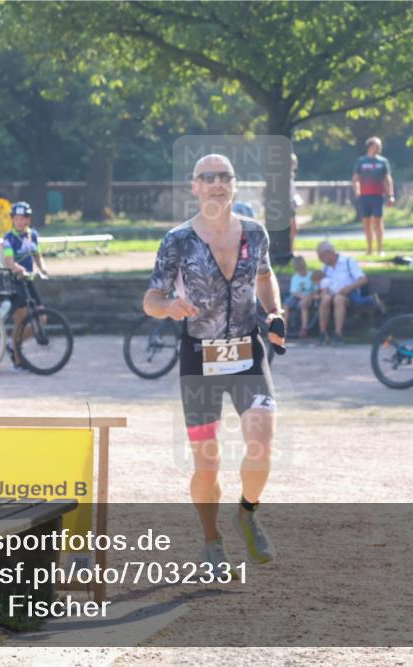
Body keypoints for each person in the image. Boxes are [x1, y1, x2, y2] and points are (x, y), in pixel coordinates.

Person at [143, 153, 285, 571]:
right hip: (198, 359)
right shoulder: (178, 241)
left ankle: (247, 513)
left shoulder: (255, 234)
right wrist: (168, 308)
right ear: (195, 187)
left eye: (224, 177)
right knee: (208, 465)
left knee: (262, 443)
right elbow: (150, 299)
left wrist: (274, 312)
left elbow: (264, 275)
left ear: (234, 185)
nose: (217, 184)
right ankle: (211, 539)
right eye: (208, 178)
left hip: (246, 352)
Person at [2, 201, 49, 370]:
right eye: (17, 218)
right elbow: (8, 260)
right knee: (20, 320)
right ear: (13, 220)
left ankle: (14, 344)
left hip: (28, 281)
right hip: (15, 282)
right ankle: (17, 357)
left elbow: (38, 255)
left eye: (23, 218)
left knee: (42, 317)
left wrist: (42, 268)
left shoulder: (33, 235)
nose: (20, 222)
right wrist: (17, 267)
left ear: (28, 220)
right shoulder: (9, 238)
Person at [316, 240, 378, 346]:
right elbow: (322, 283)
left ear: (329, 253)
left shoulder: (348, 262)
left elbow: (363, 279)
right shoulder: (325, 267)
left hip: (349, 295)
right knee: (325, 298)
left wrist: (348, 288)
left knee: (338, 299)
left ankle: (338, 334)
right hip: (332, 295)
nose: (321, 260)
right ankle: (323, 333)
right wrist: (324, 291)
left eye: (321, 257)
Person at [352, 137, 395, 256]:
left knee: (378, 221)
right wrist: (357, 192)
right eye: (377, 145)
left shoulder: (383, 162)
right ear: (370, 146)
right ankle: (369, 249)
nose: (380, 148)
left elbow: (387, 179)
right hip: (365, 196)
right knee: (366, 222)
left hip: (378, 196)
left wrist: (390, 195)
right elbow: (355, 179)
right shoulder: (361, 161)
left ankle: (380, 249)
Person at [286, 255, 315, 338]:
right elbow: (294, 292)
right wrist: (302, 296)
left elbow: (315, 289)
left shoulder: (311, 275)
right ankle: (284, 327)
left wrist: (308, 297)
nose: (301, 271)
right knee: (286, 306)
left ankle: (304, 328)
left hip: (309, 297)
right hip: (297, 296)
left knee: (303, 305)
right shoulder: (295, 277)